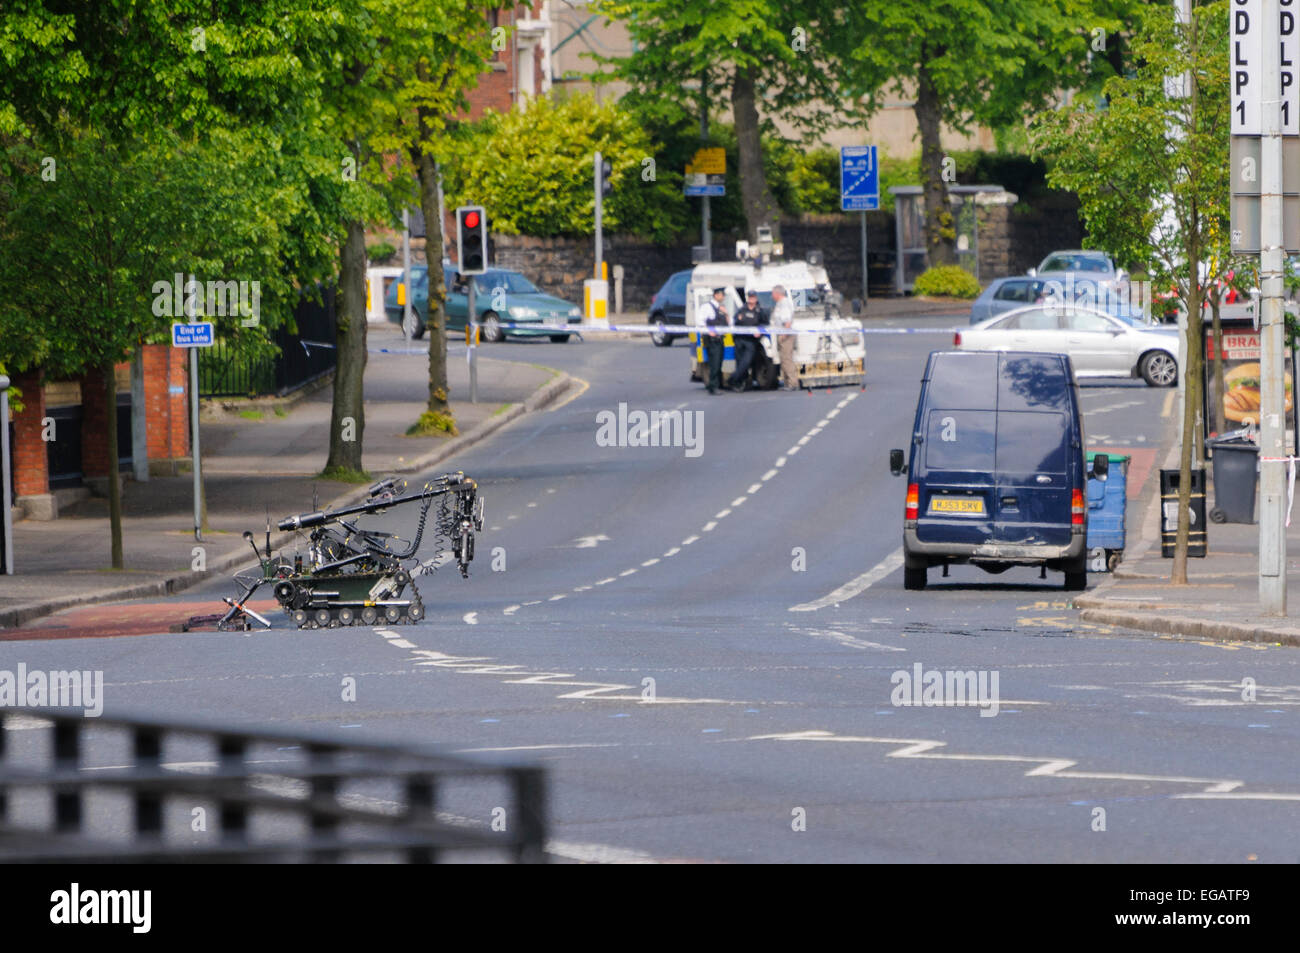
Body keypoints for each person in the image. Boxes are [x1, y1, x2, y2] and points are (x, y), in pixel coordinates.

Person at [728, 290, 765, 391]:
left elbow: (764, 324)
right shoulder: (742, 309)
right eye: (750, 297)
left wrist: (760, 332)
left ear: (756, 298)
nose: (751, 299)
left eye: (753, 297)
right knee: (740, 362)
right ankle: (740, 383)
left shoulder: (759, 311)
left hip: (751, 341)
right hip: (739, 339)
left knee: (746, 362)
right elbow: (734, 322)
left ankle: (732, 379)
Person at [703, 287, 730, 395]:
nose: (723, 297)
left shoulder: (721, 308)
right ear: (716, 295)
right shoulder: (707, 307)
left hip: (720, 339)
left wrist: (726, 313)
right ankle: (713, 387)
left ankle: (717, 385)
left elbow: (729, 323)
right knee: (714, 363)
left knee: (718, 362)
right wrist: (709, 332)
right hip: (711, 339)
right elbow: (701, 321)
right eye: (722, 295)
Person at [771, 284, 798, 390]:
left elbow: (787, 321)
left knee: (787, 359)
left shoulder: (784, 303)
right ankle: (787, 383)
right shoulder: (780, 303)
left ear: (778, 293)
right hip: (782, 332)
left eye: (773, 294)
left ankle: (793, 383)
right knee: (783, 359)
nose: (772, 296)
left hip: (786, 334)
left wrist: (784, 334)